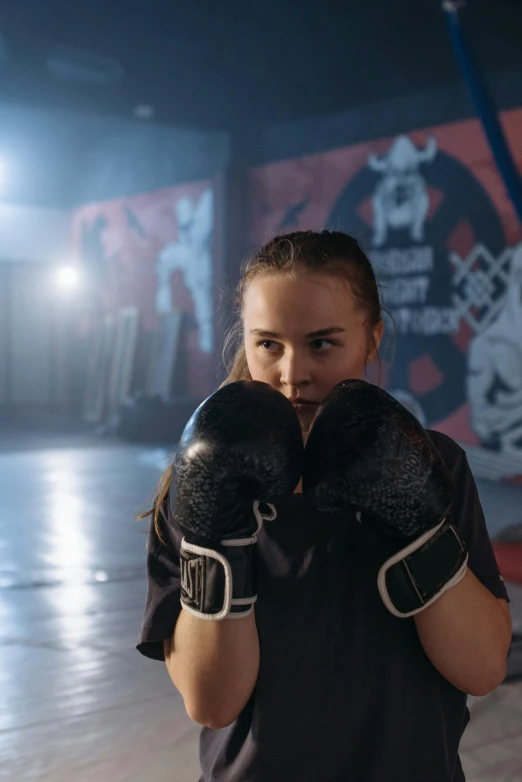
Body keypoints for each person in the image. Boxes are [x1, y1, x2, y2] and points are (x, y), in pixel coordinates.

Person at [137, 230, 512, 782]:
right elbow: (212, 704)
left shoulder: (438, 464)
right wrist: (217, 532)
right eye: (269, 344)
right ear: (246, 342)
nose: (294, 374)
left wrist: (414, 519)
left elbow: (481, 669)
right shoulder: (197, 480)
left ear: (371, 339)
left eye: (322, 343)